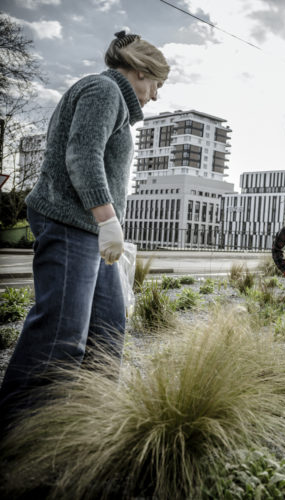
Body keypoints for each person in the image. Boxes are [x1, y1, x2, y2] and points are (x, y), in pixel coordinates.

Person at [0, 32, 170, 436]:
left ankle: (87, 429)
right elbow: (82, 155)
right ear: (141, 72)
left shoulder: (110, 97)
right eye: (156, 85)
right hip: (70, 224)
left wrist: (110, 228)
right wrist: (108, 219)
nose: (155, 96)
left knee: (108, 331)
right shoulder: (103, 89)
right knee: (61, 335)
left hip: (89, 231)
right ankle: (18, 436)